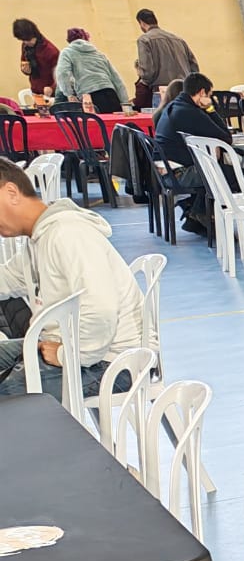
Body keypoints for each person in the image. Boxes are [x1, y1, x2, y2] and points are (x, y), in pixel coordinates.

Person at [0, 158, 147, 396]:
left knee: (7, 401)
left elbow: (102, 309)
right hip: (69, 346)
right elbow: (6, 278)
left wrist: (66, 355)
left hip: (112, 362)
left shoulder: (68, 234)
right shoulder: (40, 237)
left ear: (11, 193)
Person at [150, 72, 236, 240]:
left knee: (213, 168)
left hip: (166, 169)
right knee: (237, 177)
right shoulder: (190, 111)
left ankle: (196, 217)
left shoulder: (173, 106)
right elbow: (226, 137)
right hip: (178, 174)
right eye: (209, 95)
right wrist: (210, 109)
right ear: (202, 93)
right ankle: (200, 213)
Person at [132, 7, 199, 104]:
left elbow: (147, 72)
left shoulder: (144, 40)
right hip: (185, 91)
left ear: (141, 23)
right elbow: (194, 67)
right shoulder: (179, 39)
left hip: (162, 92)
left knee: (164, 118)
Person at [54, 29, 124, 113]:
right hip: (110, 94)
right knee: (114, 124)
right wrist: (125, 102)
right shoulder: (99, 54)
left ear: (68, 40)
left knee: (95, 125)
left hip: (89, 97)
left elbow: (62, 73)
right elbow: (116, 79)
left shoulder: (67, 52)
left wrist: (69, 94)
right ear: (87, 38)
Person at [14, 20, 60, 97]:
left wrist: (52, 88)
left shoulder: (51, 51)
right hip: (35, 91)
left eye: (28, 40)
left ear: (35, 34)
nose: (26, 42)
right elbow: (24, 64)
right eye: (23, 40)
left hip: (52, 95)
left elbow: (62, 75)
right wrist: (25, 70)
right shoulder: (25, 46)